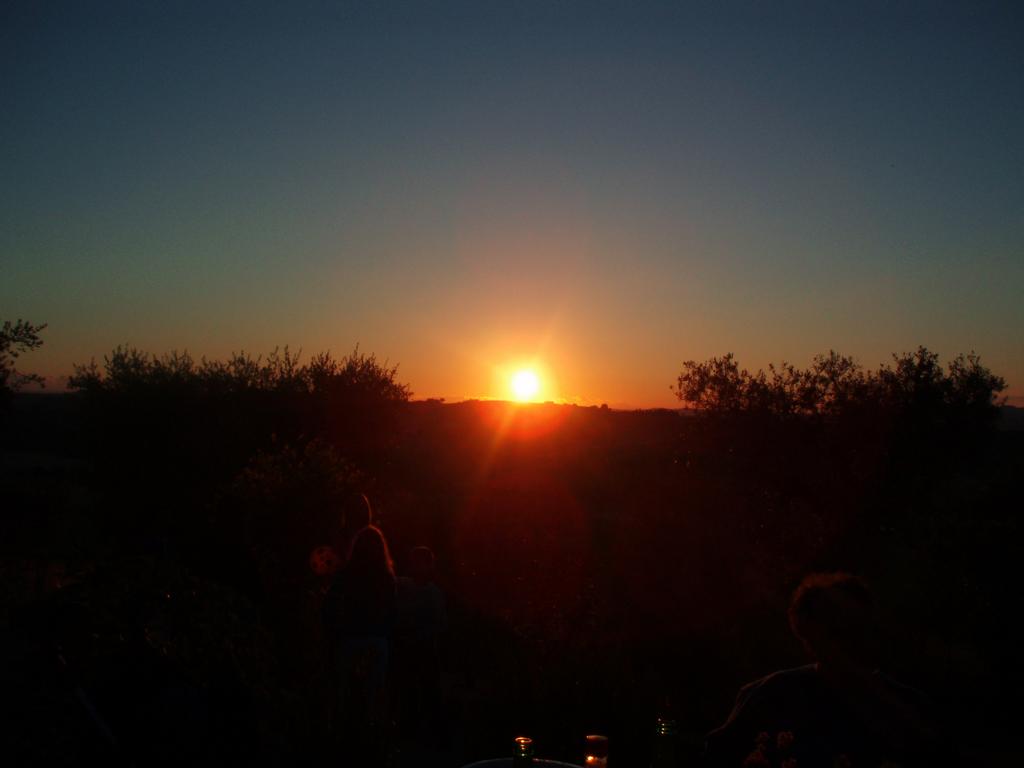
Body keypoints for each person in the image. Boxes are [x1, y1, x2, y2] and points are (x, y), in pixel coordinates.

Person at [704, 573, 953, 767]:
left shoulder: (911, 709)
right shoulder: (768, 696)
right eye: (834, 626)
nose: (845, 638)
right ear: (808, 634)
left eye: (851, 625)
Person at [323, 525, 396, 760]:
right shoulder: (386, 578)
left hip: (351, 639)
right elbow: (393, 612)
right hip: (377, 641)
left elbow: (329, 606)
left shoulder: (345, 575)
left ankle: (342, 739)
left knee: (344, 691)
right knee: (374, 693)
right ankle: (375, 743)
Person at [394, 546, 447, 740]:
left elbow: (439, 624)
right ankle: (425, 731)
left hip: (420, 648)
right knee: (419, 690)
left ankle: (420, 731)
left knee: (422, 690)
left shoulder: (427, 591)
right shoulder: (414, 588)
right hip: (417, 647)